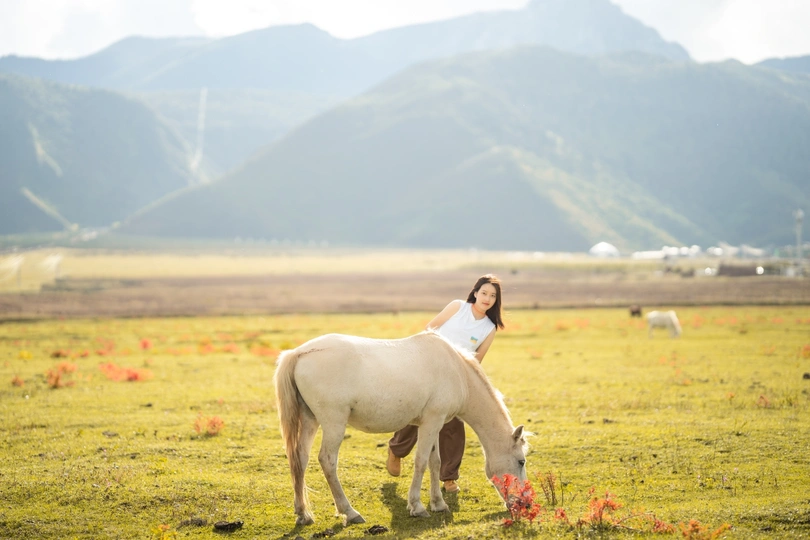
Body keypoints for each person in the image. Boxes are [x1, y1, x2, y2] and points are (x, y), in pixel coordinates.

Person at [386, 273, 505, 493]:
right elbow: (430, 329)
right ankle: (396, 451)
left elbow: (476, 360)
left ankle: (449, 477)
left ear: (496, 301)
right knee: (416, 413)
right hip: (428, 367)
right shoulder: (457, 307)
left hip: (454, 378)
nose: (487, 298)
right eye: (484, 293)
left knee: (453, 426)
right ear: (476, 293)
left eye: (493, 296)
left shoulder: (489, 328)